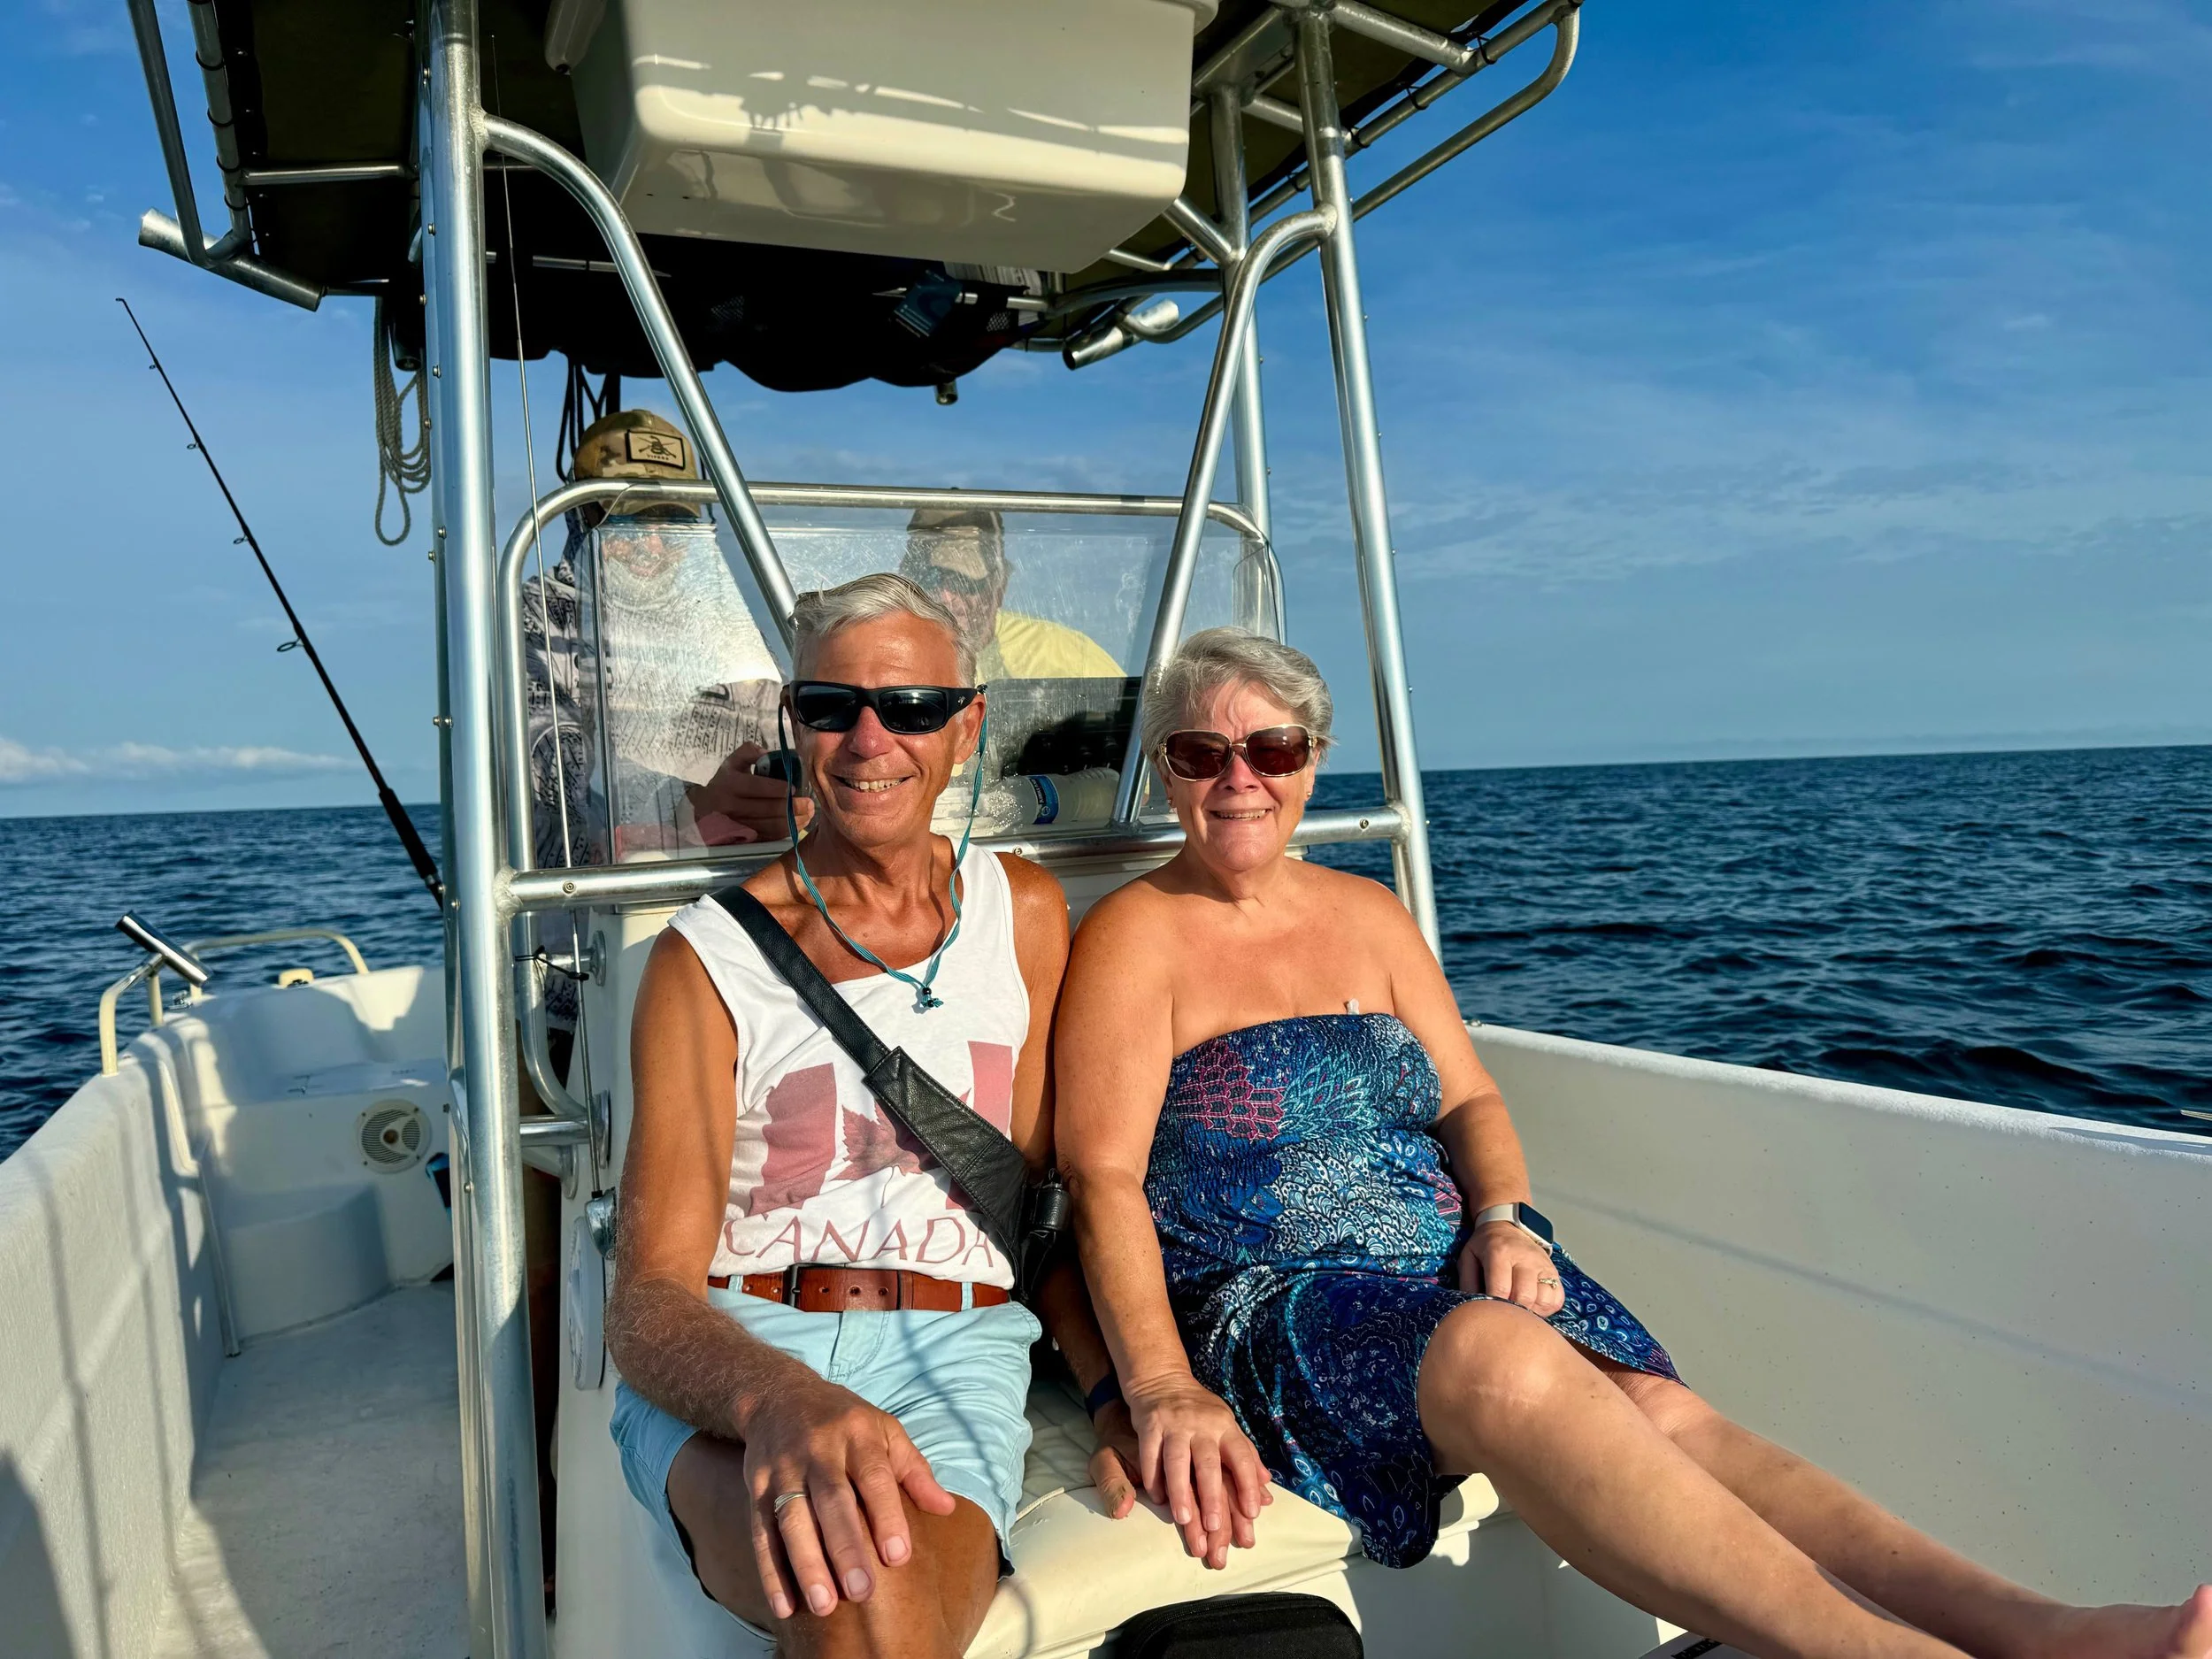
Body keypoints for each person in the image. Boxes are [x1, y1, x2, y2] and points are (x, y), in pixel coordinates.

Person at [1054, 626, 2212, 1658]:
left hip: (1444, 1257)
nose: (1240, 778)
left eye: (1273, 748)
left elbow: (1472, 1105)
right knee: (1501, 1358)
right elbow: (1101, 1176)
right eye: (1204, 753)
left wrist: (1505, 1215)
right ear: (1168, 768)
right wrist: (1159, 1387)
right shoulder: (1133, 939)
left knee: (1667, 1415)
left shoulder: (1371, 914)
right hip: (1275, 1297)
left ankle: (2052, 1631)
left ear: (1314, 758)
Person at [603, 573, 1139, 1658]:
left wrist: (1119, 1392)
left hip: (953, 1350)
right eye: (828, 707)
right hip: (744, 1347)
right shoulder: (702, 961)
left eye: (910, 708)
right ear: (793, 725)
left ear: (965, 725)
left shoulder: (1024, 916)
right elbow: (648, 1299)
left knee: (868, 1585)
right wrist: (777, 1399)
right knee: (851, 1585)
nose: (867, 739)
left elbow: (1035, 1215)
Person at [900, 505, 1121, 683]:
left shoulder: (1070, 657)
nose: (946, 596)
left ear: (1000, 586)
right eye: (929, 579)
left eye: (966, 582)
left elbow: (1148, 728)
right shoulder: (884, 652)